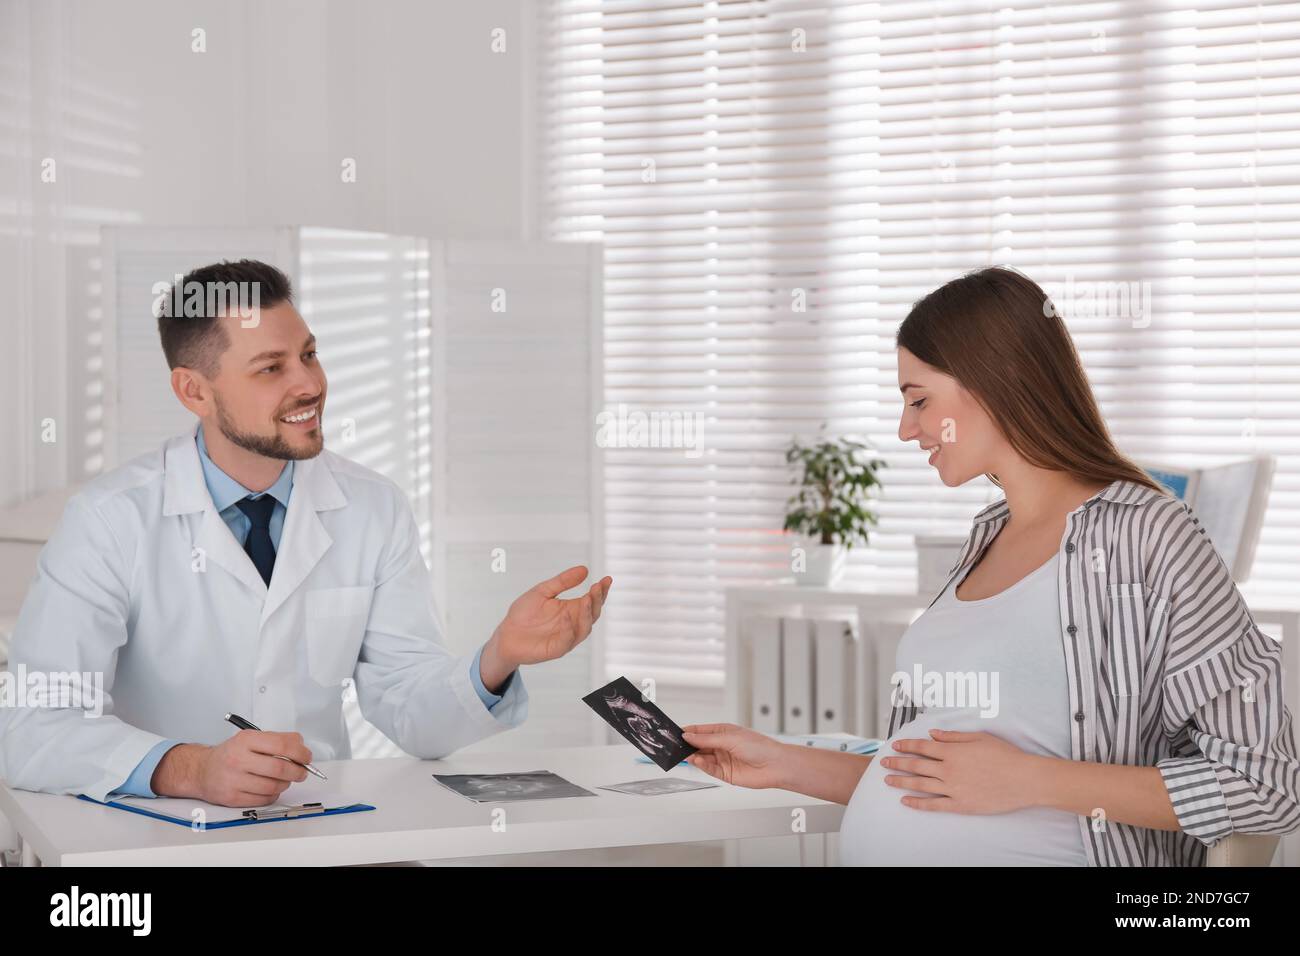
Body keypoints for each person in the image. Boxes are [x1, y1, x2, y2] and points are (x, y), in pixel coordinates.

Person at [683, 266, 1300, 866]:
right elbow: (932, 776)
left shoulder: (1148, 536)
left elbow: (1269, 787)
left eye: (919, 400)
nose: (906, 429)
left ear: (995, 379)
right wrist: (781, 761)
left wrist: (1034, 780)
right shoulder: (985, 538)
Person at [0, 259, 611, 808]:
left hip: (318, 827)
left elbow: (412, 715)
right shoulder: (110, 519)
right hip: (163, 837)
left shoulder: (373, 507)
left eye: (309, 354)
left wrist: (498, 657)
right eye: (271, 368)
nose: (309, 384)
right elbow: (30, 725)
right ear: (194, 391)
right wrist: (189, 768)